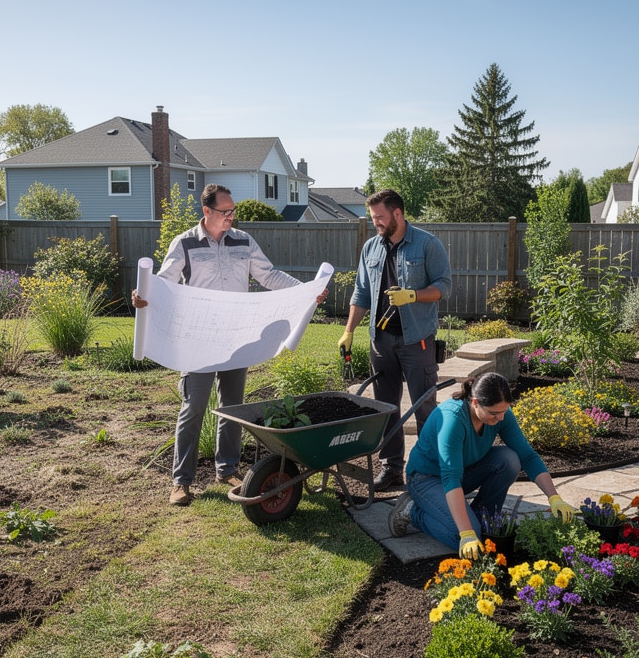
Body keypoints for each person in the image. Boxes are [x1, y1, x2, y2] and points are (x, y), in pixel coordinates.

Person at [132, 183, 326, 506]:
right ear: (206, 212)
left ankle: (227, 469)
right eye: (225, 212)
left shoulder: (244, 242)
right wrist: (144, 294)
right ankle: (181, 482)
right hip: (198, 342)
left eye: (233, 211)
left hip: (238, 339)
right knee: (193, 408)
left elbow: (270, 276)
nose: (231, 217)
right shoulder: (184, 244)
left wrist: (307, 290)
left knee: (233, 408)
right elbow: (164, 282)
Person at [388, 372, 576, 559]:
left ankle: (481, 516)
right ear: (475, 402)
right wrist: (466, 533)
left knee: (509, 459)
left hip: (461, 473)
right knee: (466, 538)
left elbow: (527, 456)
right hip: (427, 478)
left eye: (504, 411)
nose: (501, 418)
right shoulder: (452, 419)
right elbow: (450, 477)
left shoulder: (499, 413)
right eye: (494, 413)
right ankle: (412, 511)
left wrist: (554, 498)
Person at [337, 189, 452, 492]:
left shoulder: (427, 245)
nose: (375, 223)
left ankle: (430, 471)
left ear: (397, 214)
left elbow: (444, 287)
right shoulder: (371, 249)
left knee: (424, 406)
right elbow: (361, 293)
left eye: (379, 218)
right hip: (381, 341)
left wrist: (413, 295)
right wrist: (349, 330)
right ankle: (391, 469)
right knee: (386, 407)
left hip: (417, 340)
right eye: (372, 217)